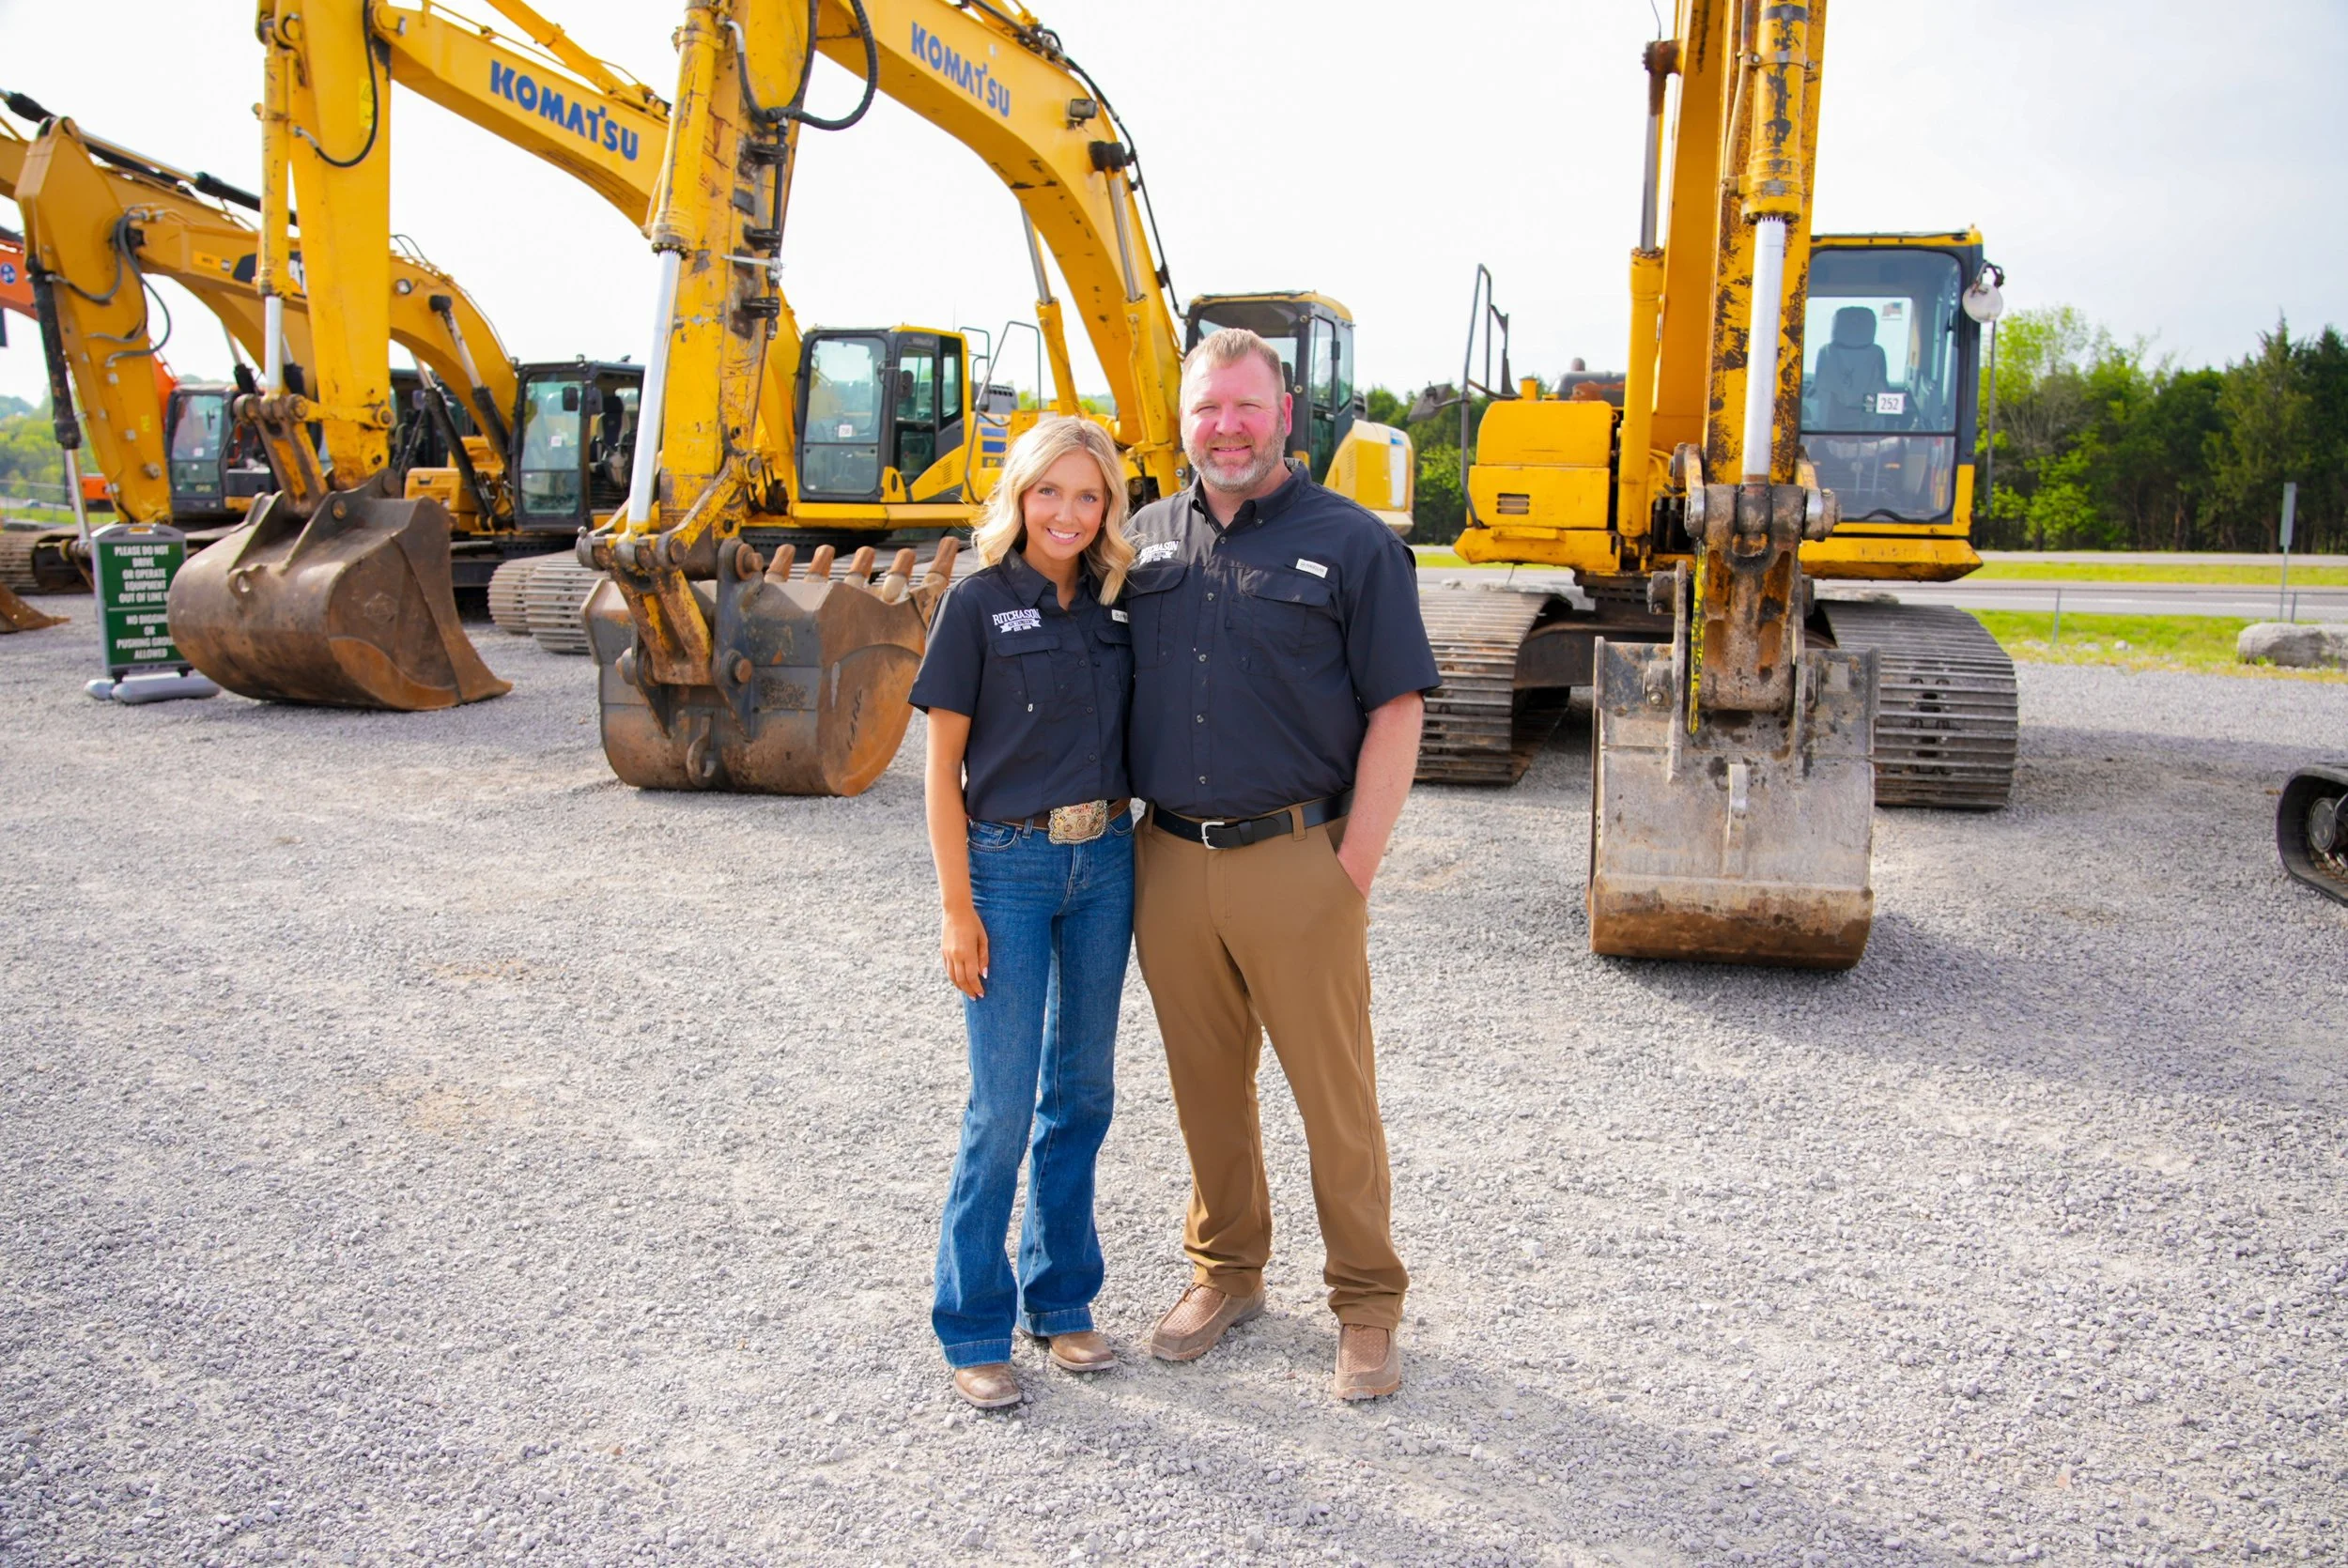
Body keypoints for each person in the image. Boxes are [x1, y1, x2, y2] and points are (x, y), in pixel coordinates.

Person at [1120, 327, 1439, 1401]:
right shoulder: (1143, 541)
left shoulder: (1351, 543)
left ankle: (1366, 1299)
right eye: (1207, 408)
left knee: (1333, 1096)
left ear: (1284, 415)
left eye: (1246, 406)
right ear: (1182, 419)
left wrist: (1351, 866)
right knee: (1205, 1088)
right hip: (1169, 859)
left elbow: (1398, 707)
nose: (1226, 427)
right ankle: (1227, 1271)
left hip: (1299, 860)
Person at [909, 416, 1138, 1410]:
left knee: (1081, 1093)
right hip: (1007, 867)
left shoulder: (1121, 606)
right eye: (1050, 491)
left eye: (1088, 495)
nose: (1067, 513)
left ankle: (1061, 1296)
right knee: (1001, 1107)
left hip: (1108, 862)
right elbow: (939, 771)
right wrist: (955, 907)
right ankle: (972, 1322)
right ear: (1020, 495)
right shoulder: (975, 604)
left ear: (1109, 506)